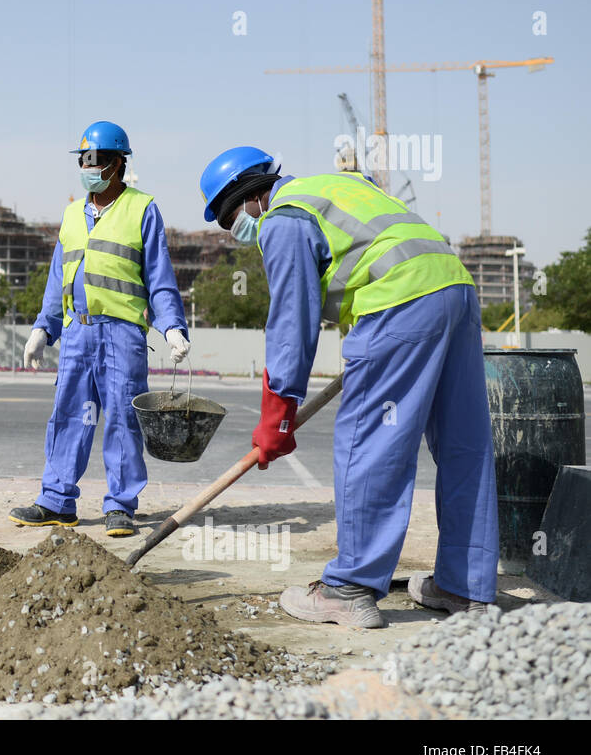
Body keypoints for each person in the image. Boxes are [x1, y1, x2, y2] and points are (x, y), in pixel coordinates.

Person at [198, 146, 499, 628]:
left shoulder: (283, 218)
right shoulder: (337, 187)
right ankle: (467, 588)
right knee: (466, 447)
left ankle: (348, 588)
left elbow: (291, 324)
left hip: (396, 302)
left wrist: (277, 415)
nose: (237, 232)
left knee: (370, 443)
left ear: (247, 198)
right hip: (454, 290)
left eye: (230, 221)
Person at [13, 121, 190, 538]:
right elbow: (59, 279)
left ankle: (121, 506)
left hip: (123, 333)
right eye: (83, 159)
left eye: (95, 160)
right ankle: (57, 501)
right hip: (78, 332)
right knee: (69, 415)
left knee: (123, 419)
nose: (88, 167)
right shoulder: (72, 214)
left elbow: (159, 278)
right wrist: (44, 329)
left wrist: (172, 329)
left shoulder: (142, 208)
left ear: (117, 164)